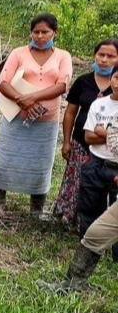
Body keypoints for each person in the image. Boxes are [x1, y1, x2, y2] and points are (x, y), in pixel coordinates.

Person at [0, 13, 72, 216]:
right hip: (16, 116)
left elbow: (62, 85)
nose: (40, 36)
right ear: (30, 33)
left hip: (47, 121)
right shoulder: (18, 53)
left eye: (45, 32)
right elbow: (3, 82)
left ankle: (37, 207)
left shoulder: (63, 56)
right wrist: (21, 101)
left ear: (55, 32)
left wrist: (31, 98)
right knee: (5, 157)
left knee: (41, 163)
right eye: (36, 32)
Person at [52, 40, 118, 230]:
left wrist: (105, 135)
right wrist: (66, 141)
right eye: (101, 55)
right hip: (81, 144)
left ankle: (102, 227)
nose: (104, 60)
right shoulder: (84, 82)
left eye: (111, 56)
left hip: (111, 154)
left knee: (105, 190)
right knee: (78, 182)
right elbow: (71, 112)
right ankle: (73, 220)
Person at [76, 70, 118, 239]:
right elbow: (89, 137)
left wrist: (104, 132)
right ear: (111, 79)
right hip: (96, 162)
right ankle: (88, 243)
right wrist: (113, 135)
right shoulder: (99, 104)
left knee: (115, 211)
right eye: (116, 78)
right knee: (89, 205)